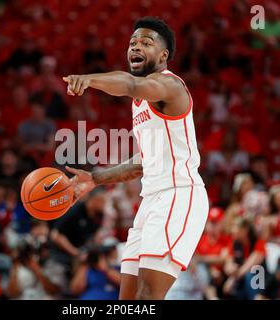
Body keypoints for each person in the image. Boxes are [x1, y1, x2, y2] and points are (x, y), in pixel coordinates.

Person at [62, 17, 209, 299]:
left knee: (147, 298)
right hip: (151, 200)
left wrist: (89, 80)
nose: (135, 47)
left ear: (163, 55)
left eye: (145, 42)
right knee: (127, 299)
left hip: (178, 195)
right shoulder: (140, 102)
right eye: (132, 43)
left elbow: (130, 83)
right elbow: (143, 161)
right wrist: (95, 178)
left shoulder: (169, 86)